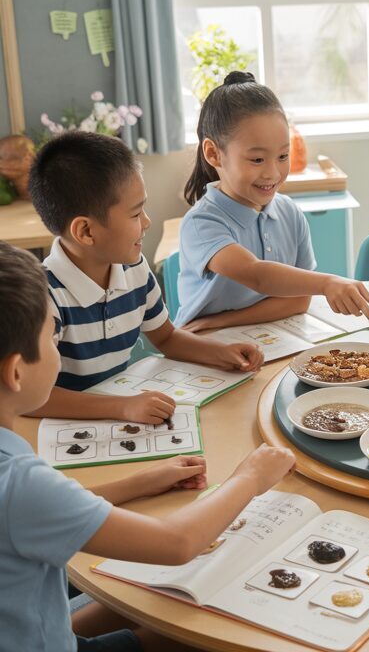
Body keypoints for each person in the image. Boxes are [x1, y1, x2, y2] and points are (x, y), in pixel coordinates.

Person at [0, 240, 296, 652]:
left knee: (149, 600)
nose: (56, 347)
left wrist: (136, 484)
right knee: (199, 628)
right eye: (51, 337)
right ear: (16, 371)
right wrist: (251, 476)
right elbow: (176, 544)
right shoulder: (16, 479)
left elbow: (41, 509)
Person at [27, 131, 264, 424]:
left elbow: (166, 337)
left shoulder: (134, 268)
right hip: (62, 432)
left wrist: (221, 353)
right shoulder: (42, 298)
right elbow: (33, 398)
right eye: (136, 214)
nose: (147, 222)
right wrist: (122, 407)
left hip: (117, 421)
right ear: (86, 232)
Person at [176, 71, 369, 331]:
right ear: (214, 154)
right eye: (257, 159)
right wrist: (327, 283)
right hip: (202, 346)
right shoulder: (202, 222)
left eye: (282, 156)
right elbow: (256, 275)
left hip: (257, 338)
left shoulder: (289, 213)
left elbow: (298, 301)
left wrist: (219, 322)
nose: (273, 172)